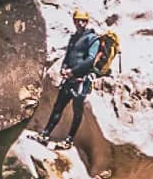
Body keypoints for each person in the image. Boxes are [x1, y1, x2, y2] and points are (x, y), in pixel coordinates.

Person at [41, 10, 111, 150]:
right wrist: (64, 68)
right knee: (58, 107)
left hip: (82, 81)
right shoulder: (73, 38)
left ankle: (69, 140)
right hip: (69, 79)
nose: (80, 23)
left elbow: (90, 60)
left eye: (83, 20)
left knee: (77, 111)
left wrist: (72, 71)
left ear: (87, 22)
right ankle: (45, 135)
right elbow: (68, 55)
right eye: (77, 20)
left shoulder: (92, 39)